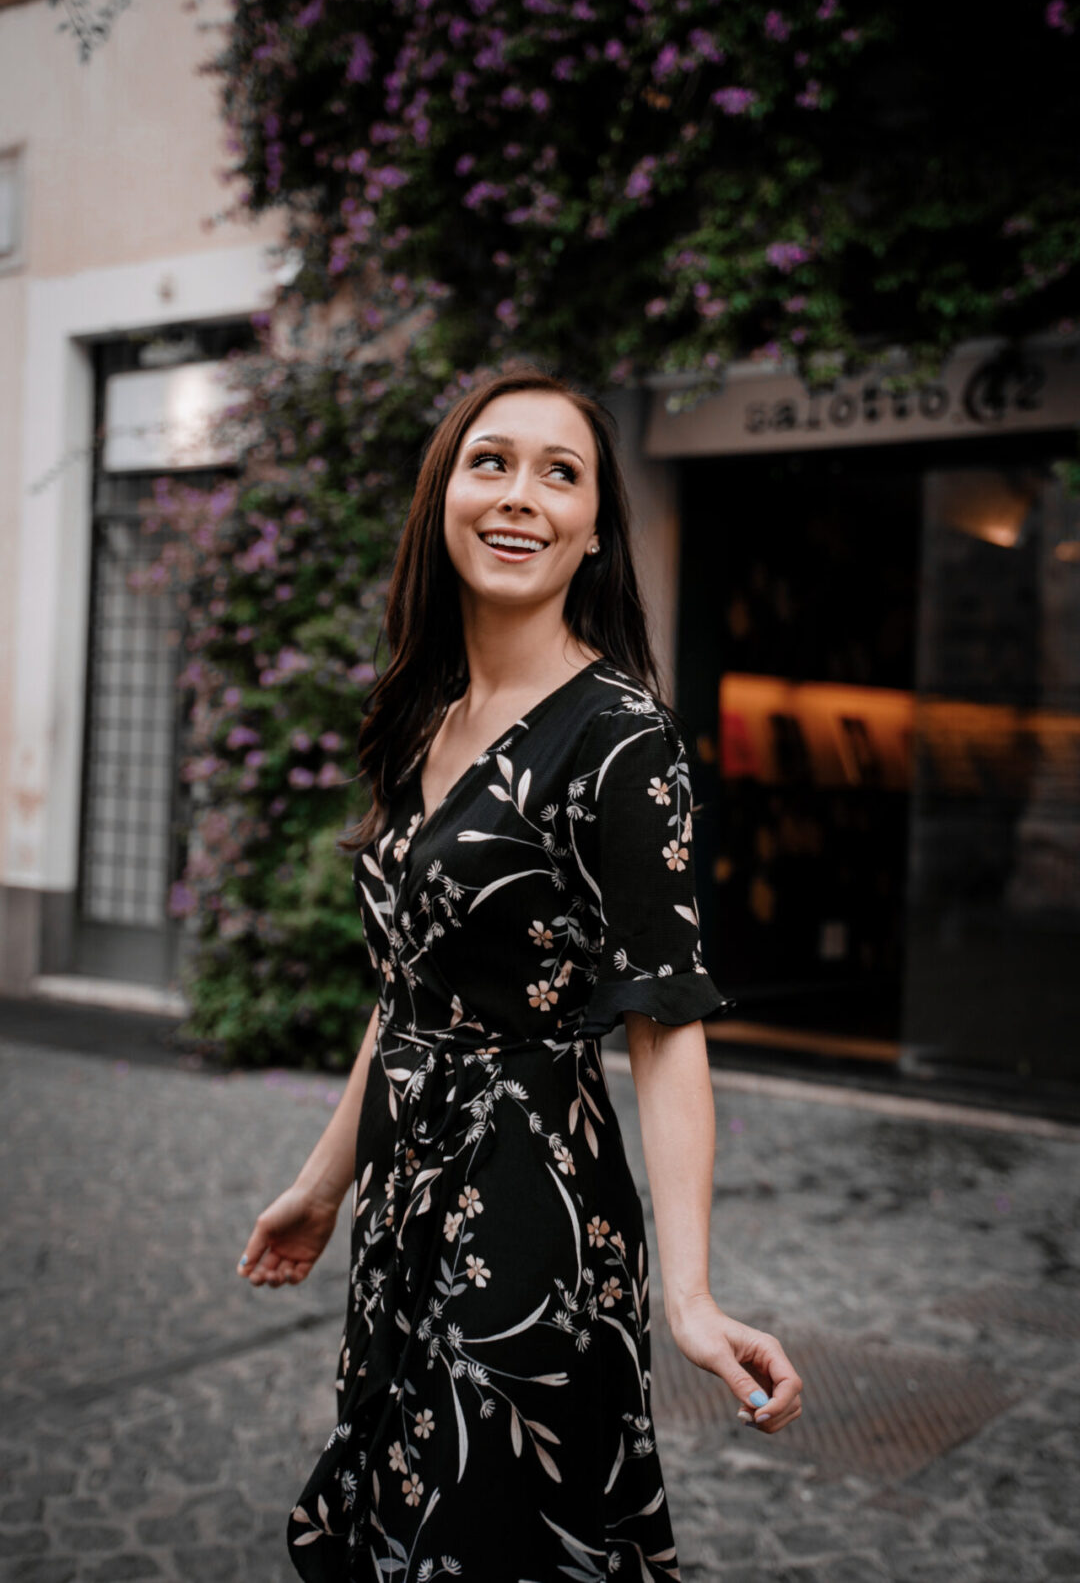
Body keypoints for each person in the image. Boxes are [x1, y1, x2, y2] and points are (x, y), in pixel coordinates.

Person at [238, 368, 803, 1581]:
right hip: (403, 1203)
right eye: (491, 461)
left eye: (563, 473)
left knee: (489, 1543)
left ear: (596, 526)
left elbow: (665, 1018)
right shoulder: (423, 713)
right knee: (399, 1522)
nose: (520, 496)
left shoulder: (620, 736)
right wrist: (323, 1186)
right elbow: (408, 995)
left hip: (532, 1207)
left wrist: (693, 1298)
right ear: (444, 493)